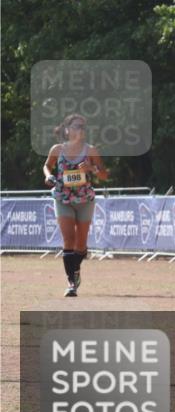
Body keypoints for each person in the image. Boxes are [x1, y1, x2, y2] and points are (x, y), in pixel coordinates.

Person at [42, 114, 109, 297]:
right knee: (68, 240)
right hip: (63, 198)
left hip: (84, 200)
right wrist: (48, 175)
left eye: (82, 127)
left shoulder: (91, 151)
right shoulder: (57, 149)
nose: (80, 130)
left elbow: (104, 175)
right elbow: (47, 166)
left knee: (81, 244)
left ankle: (75, 268)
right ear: (67, 130)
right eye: (76, 126)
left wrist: (92, 169)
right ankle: (72, 283)